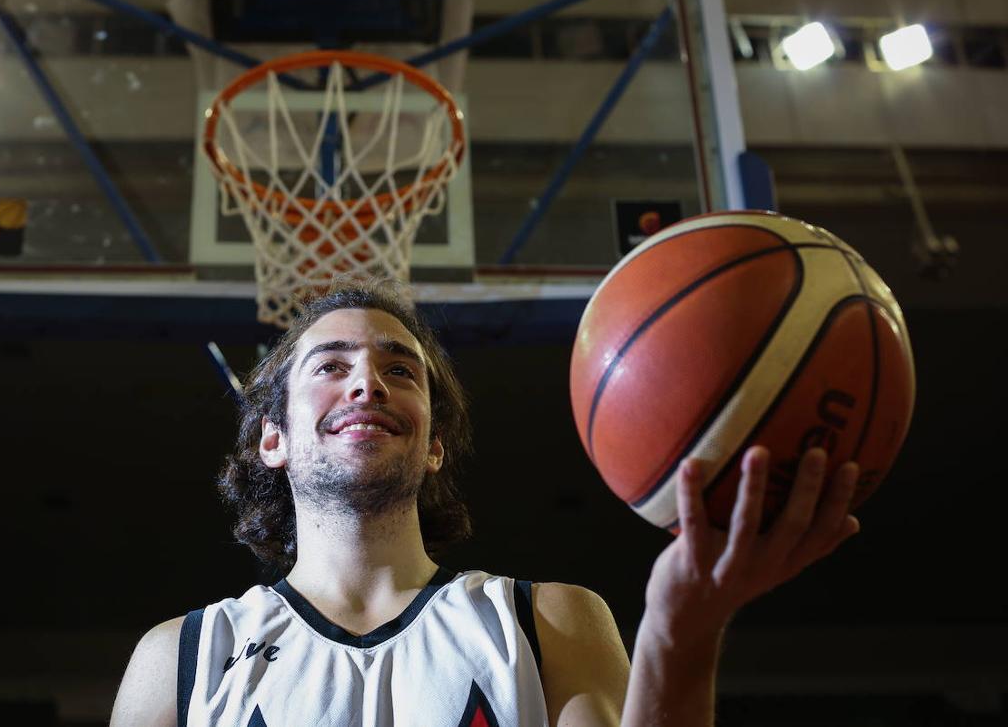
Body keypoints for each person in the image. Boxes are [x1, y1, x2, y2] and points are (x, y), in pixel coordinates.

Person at [110, 282, 862, 726]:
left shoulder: (547, 622)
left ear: (434, 442)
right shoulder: (181, 657)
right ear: (272, 437)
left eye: (401, 371)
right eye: (331, 366)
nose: (369, 383)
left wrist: (680, 630)